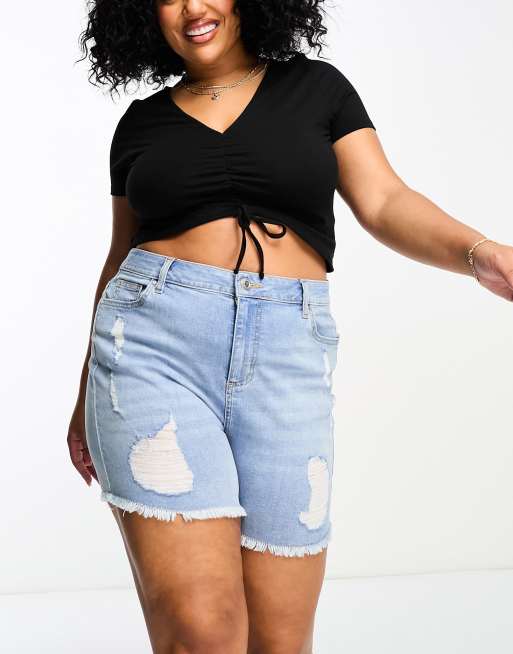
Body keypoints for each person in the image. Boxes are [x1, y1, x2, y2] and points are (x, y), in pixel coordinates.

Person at [68, 1, 513, 652]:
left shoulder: (317, 89)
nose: (193, 7)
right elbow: (118, 257)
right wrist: (85, 394)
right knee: (202, 629)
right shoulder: (140, 124)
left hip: (286, 353)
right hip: (150, 352)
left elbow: (385, 200)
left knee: (279, 641)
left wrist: (480, 253)